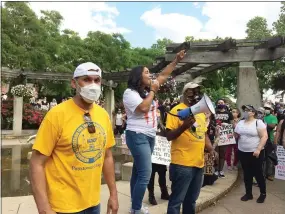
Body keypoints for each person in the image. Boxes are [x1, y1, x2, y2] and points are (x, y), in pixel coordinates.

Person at [29, 62, 119, 214]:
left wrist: (114, 194)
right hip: (62, 206)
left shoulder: (103, 115)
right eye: (87, 79)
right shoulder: (57, 115)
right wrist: (44, 208)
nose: (93, 85)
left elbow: (107, 156)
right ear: (74, 83)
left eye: (97, 80)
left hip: (93, 203)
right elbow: (36, 163)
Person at [123, 50, 186, 214]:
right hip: (137, 135)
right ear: (138, 76)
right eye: (146, 72)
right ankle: (136, 209)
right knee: (145, 173)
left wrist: (175, 61)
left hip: (149, 136)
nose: (150, 75)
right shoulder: (130, 93)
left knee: (138, 172)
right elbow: (143, 108)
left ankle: (134, 205)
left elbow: (163, 76)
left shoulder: (146, 90)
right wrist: (153, 91)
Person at [166, 82, 217, 214]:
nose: (195, 94)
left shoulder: (200, 113)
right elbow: (169, 135)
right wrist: (183, 127)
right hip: (182, 164)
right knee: (176, 201)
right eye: (191, 91)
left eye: (197, 91)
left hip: (198, 165)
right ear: (185, 93)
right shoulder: (176, 111)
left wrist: (211, 149)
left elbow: (203, 134)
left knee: (191, 201)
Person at [234, 105, 268, 203]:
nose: (245, 112)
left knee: (258, 173)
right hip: (242, 151)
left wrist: (258, 149)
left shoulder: (258, 122)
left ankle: (263, 193)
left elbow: (264, 137)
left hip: (255, 152)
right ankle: (248, 193)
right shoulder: (240, 122)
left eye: (248, 110)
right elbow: (236, 135)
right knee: (247, 173)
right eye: (244, 110)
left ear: (253, 113)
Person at [214, 99, 233, 178]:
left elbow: (232, 124)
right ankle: (215, 169)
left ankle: (221, 170)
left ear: (225, 104)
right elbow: (211, 121)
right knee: (215, 153)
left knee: (223, 153)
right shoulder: (214, 112)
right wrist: (215, 126)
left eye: (222, 103)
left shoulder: (229, 113)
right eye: (219, 103)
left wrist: (227, 125)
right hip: (215, 134)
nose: (220, 104)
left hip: (225, 135)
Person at [263, 103, 278, 181]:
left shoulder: (273, 117)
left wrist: (264, 124)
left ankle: (270, 174)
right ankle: (263, 174)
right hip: (262, 140)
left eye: (268, 108)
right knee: (263, 158)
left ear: (271, 110)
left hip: (270, 140)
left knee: (270, 158)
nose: (266, 109)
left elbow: (273, 126)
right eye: (265, 108)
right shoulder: (263, 117)